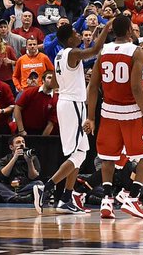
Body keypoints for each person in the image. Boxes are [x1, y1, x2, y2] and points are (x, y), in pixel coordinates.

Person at [34, 21, 110, 215]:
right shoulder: (72, 53)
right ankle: (47, 187)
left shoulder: (60, 55)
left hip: (69, 103)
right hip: (72, 104)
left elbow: (58, 82)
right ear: (69, 39)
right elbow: (95, 49)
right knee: (77, 154)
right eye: (76, 33)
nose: (79, 35)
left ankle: (66, 199)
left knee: (81, 152)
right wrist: (107, 28)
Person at [88, 14, 143, 220]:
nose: (136, 31)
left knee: (108, 158)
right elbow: (136, 87)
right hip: (131, 112)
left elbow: (93, 86)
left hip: (108, 112)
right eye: (134, 29)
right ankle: (132, 197)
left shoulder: (103, 50)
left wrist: (91, 117)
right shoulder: (136, 51)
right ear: (128, 31)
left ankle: (107, 201)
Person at [0, 135, 42, 203]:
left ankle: (9, 197)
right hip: (9, 188)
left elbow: (33, 177)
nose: (21, 144)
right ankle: (20, 198)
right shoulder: (5, 159)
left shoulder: (32, 157)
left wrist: (29, 162)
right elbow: (3, 176)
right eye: (18, 142)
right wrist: (14, 158)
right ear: (11, 147)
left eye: (23, 142)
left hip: (25, 187)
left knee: (39, 184)